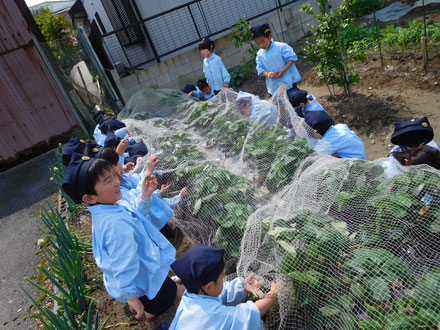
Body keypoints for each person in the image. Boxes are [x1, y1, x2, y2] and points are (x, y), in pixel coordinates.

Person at [61, 155, 184, 330]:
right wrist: (131, 296)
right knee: (180, 294)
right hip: (136, 286)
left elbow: (134, 212)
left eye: (114, 175)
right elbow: (123, 263)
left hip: (138, 281)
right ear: (89, 198)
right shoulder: (114, 224)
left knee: (153, 297)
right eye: (107, 181)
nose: (117, 182)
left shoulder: (108, 208)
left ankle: (155, 325)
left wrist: (145, 195)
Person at [170, 244, 279, 330]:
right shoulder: (212, 317)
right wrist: (273, 294)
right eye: (222, 278)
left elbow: (216, 296)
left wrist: (242, 285)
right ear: (208, 287)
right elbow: (247, 316)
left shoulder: (189, 298)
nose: (224, 280)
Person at [251, 23, 301, 100]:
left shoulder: (281, 47)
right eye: (258, 43)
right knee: (280, 108)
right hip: (273, 87)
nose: (261, 45)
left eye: (263, 41)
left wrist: (283, 70)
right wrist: (267, 73)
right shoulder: (260, 54)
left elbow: (292, 58)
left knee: (294, 103)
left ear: (270, 36)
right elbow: (260, 68)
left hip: (288, 83)